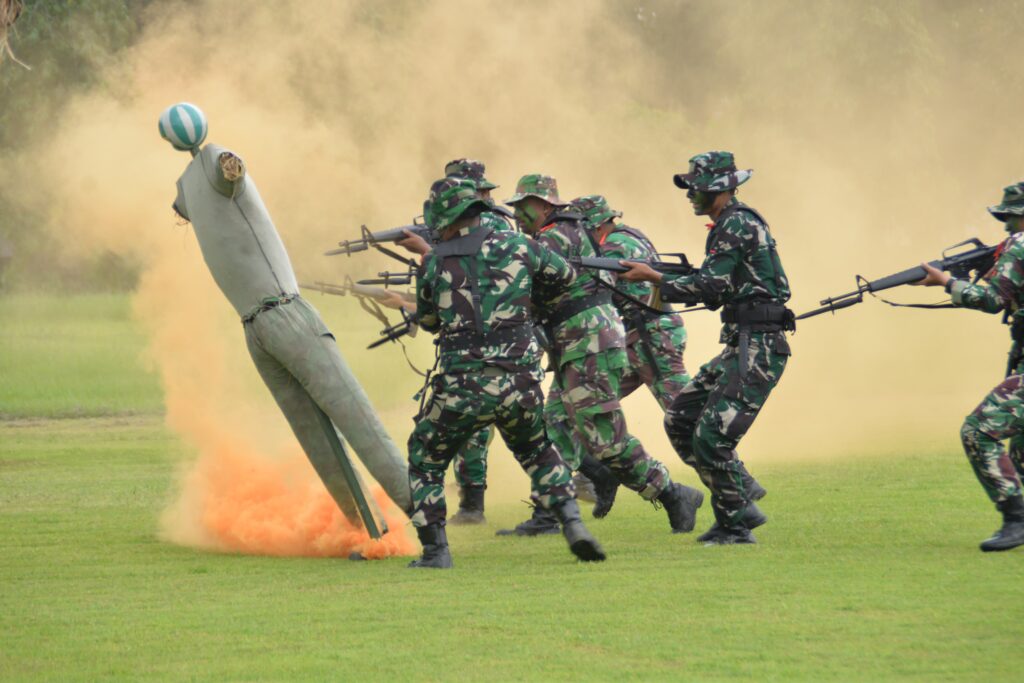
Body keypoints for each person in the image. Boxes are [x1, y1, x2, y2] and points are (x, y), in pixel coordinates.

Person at [159, 102, 411, 535]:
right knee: (316, 438)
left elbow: (229, 170)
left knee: (354, 417)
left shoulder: (218, 163)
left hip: (284, 311)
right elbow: (188, 201)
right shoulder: (191, 182)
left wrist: (225, 165)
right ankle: (371, 531)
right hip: (254, 325)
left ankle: (425, 514)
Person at [395, 176, 606, 568]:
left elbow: (428, 321)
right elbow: (566, 277)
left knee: (425, 458)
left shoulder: (435, 261)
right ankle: (573, 525)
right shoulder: (520, 244)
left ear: (443, 217)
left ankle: (436, 551)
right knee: (539, 452)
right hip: (520, 382)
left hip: (461, 386)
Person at [500, 173, 704, 537]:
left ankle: (674, 493)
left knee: (606, 438)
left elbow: (520, 281)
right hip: (576, 344)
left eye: (522, 206)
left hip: (589, 345)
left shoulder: (556, 236)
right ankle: (554, 509)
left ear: (545, 205)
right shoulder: (560, 234)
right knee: (555, 422)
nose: (517, 214)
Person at [620, 151, 790, 545]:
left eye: (695, 188)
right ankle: (739, 501)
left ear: (717, 189)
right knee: (680, 419)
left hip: (758, 345)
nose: (689, 195)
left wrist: (654, 277)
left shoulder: (735, 224)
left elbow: (710, 287)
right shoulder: (730, 223)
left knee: (712, 436)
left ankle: (735, 525)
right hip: (740, 343)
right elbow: (718, 288)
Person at [914, 180, 1024, 552]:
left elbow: (992, 299)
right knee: (1021, 449)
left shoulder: (1019, 245)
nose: (1006, 226)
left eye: (1010, 217)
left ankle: (1016, 519)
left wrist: (948, 282)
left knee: (978, 430)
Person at [568, 194, 694, 517]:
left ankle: (734, 483)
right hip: (636, 339)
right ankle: (596, 474)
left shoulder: (615, 247)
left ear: (593, 225)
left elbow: (595, 292)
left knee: (686, 416)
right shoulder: (628, 236)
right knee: (588, 403)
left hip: (651, 339)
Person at [439, 158, 513, 525]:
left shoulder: (484, 226)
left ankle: (471, 505)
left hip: (483, 339)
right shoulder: (500, 224)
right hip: (503, 337)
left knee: (471, 423)